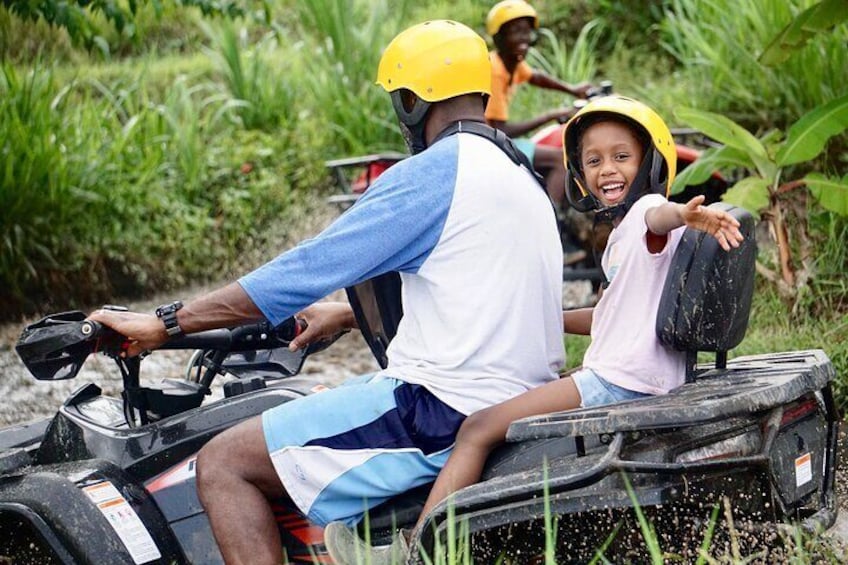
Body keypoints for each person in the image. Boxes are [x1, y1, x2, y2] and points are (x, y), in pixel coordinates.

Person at [88, 19, 565, 565]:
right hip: (516, 397)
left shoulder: (433, 174)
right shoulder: (520, 173)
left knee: (225, 463)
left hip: (443, 405)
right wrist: (345, 314)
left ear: (410, 102)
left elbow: (301, 271)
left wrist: (164, 324)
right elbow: (481, 293)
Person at [322, 95, 746, 563]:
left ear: (650, 163)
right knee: (534, 397)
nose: (608, 169)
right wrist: (542, 317)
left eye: (622, 157)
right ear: (579, 174)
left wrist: (683, 213)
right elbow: (609, 316)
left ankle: (417, 549)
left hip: (617, 381)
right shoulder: (627, 238)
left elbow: (657, 214)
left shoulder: (648, 215)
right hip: (636, 375)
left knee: (478, 428)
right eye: (594, 160)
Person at [484, 0, 591, 206]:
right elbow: (500, 129)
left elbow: (537, 77)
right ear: (499, 37)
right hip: (489, 143)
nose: (523, 39)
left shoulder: (511, 63)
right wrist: (549, 115)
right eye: (515, 32)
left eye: (526, 32)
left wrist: (573, 89)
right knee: (560, 159)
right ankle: (550, 220)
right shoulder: (495, 70)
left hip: (492, 139)